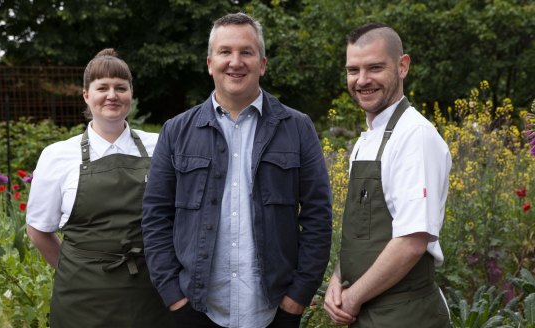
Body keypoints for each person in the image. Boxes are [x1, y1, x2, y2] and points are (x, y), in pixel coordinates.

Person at [141, 12, 332, 328]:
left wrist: (298, 296)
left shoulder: (297, 128)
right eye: (225, 52)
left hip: (275, 311)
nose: (235, 61)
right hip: (198, 312)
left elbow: (317, 216)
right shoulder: (176, 131)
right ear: (209, 63)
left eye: (246, 52)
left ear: (263, 63)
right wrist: (174, 296)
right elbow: (155, 216)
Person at [25, 48, 173, 327]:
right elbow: (38, 231)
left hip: (152, 292)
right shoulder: (57, 155)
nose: (112, 95)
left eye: (121, 87)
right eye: (102, 87)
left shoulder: (161, 146)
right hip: (82, 298)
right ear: (86, 95)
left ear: (131, 93)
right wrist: (79, 270)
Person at [323, 23, 452, 327]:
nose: (362, 80)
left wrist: (352, 299)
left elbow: (412, 241)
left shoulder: (415, 136)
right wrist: (338, 277)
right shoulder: (366, 140)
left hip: (405, 314)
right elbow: (365, 233)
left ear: (402, 66)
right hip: (369, 312)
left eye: (375, 68)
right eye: (353, 70)